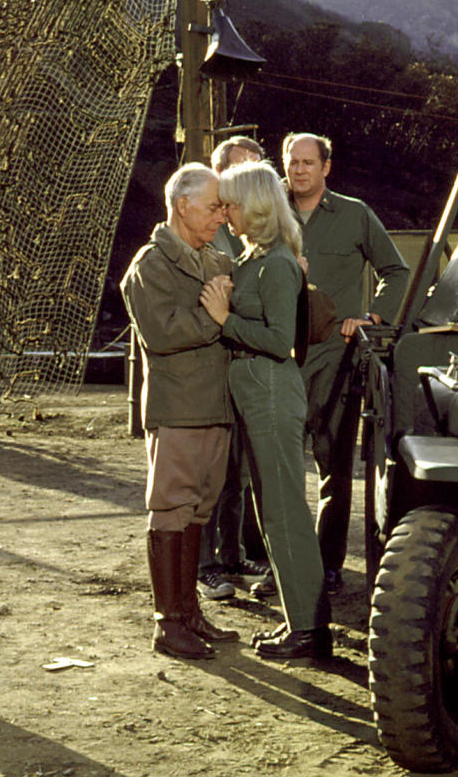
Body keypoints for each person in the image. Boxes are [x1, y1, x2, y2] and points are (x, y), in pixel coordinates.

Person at [199, 160, 332, 660]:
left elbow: (281, 341)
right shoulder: (258, 257)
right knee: (272, 513)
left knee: (285, 514)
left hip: (272, 388)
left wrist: (225, 318)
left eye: (230, 203)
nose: (225, 213)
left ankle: (310, 630)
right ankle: (299, 620)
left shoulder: (276, 263)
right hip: (258, 392)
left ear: (253, 207)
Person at [120, 162, 239, 660]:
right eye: (214, 207)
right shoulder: (151, 265)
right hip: (178, 408)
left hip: (214, 404)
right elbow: (163, 333)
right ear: (182, 205)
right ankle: (168, 622)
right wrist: (215, 316)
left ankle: (189, 612)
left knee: (198, 511)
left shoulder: (211, 258)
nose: (222, 216)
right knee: (171, 510)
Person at [284, 133, 409, 595]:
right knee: (277, 465)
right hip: (277, 353)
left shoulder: (355, 214)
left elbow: (396, 272)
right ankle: (278, 561)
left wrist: (371, 318)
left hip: (335, 357)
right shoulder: (270, 210)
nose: (299, 171)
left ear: (326, 168)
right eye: (292, 163)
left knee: (333, 465)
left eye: (308, 163)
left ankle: (327, 563)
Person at [198, 135, 270, 603]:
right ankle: (206, 564)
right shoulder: (208, 226)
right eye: (239, 170)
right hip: (208, 370)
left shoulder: (252, 230)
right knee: (207, 471)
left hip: (242, 367)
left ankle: (232, 553)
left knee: (236, 472)